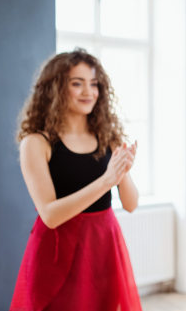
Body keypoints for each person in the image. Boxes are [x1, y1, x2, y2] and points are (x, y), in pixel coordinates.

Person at [10, 49, 142, 311]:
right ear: (56, 88)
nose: (88, 92)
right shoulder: (36, 143)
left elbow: (130, 204)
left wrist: (123, 170)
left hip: (103, 246)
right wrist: (107, 180)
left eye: (94, 84)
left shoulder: (108, 138)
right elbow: (50, 215)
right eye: (77, 83)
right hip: (57, 253)